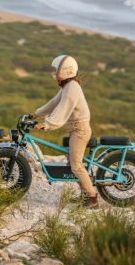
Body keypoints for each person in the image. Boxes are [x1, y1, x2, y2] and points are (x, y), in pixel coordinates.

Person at [33, 55, 98, 208]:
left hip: (79, 131)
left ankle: (93, 198)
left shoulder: (72, 89)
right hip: (75, 130)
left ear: (65, 71)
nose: (55, 74)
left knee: (76, 166)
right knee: (72, 164)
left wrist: (47, 124)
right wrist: (36, 114)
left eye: (57, 71)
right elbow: (53, 103)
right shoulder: (69, 86)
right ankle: (84, 195)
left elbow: (63, 109)